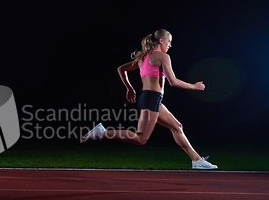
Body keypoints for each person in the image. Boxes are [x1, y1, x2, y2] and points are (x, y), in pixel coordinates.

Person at [82, 29, 217, 169]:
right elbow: (173, 82)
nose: (170, 45)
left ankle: (196, 160)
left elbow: (121, 69)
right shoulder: (163, 57)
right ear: (161, 41)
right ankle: (103, 132)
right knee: (140, 139)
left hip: (150, 98)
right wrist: (193, 87)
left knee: (177, 127)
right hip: (152, 98)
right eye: (169, 42)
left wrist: (129, 88)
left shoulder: (143, 58)